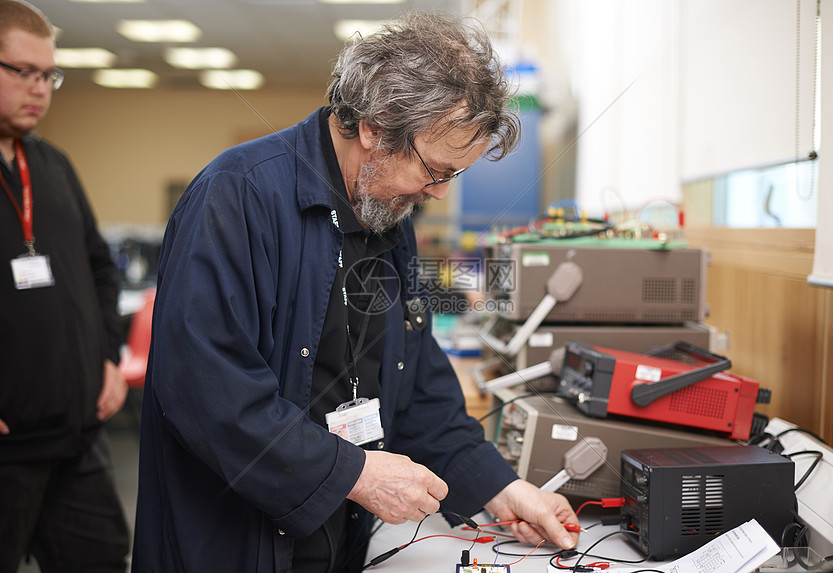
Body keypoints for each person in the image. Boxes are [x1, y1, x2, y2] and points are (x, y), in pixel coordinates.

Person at [132, 12, 579, 572]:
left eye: (451, 177)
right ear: (375, 126)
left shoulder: (390, 213)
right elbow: (205, 389)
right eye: (435, 171)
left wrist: (502, 489)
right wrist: (355, 473)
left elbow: (416, 384)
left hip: (338, 528)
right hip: (232, 536)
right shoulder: (238, 196)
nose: (436, 194)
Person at [0, 1, 131, 572]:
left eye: (47, 75)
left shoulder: (51, 166)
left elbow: (101, 270)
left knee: (104, 557)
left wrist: (106, 356)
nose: (39, 89)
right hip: (8, 448)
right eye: (21, 71)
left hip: (78, 433)